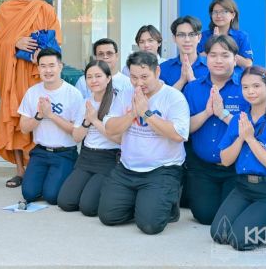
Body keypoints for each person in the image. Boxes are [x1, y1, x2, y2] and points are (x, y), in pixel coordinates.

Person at [98, 51, 190, 235]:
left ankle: (166, 206)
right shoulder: (125, 94)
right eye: (134, 77)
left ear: (157, 72)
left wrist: (146, 114)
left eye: (144, 77)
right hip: (127, 168)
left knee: (150, 225)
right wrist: (133, 113)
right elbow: (110, 128)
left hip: (162, 169)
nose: (139, 83)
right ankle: (145, 202)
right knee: (108, 216)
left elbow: (178, 135)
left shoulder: (173, 97)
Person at [0, 0, 61, 188]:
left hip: (36, 75)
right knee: (16, 118)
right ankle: (20, 171)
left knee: (38, 118)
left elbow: (56, 44)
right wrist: (15, 42)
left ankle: (36, 169)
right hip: (13, 75)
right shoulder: (6, 8)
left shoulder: (46, 10)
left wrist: (41, 54)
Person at [211, 67, 266, 251]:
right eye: (245, 87)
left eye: (256, 86)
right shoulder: (239, 119)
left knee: (239, 240)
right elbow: (225, 160)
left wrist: (250, 139)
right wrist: (241, 137)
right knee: (218, 234)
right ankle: (260, 220)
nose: (250, 91)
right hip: (243, 187)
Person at [183, 35, 248, 225]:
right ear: (206, 59)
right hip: (202, 168)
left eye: (225, 55)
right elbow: (185, 129)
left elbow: (251, 129)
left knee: (228, 217)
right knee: (205, 216)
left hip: (235, 168)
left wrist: (222, 114)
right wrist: (207, 112)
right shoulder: (193, 88)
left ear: (235, 59)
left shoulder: (245, 88)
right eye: (213, 55)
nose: (218, 60)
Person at [58, 60, 124, 215]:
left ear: (108, 78)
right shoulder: (85, 103)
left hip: (109, 158)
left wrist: (95, 120)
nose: (94, 80)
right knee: (65, 202)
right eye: (89, 77)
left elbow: (119, 139)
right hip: (87, 157)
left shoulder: (118, 101)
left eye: (98, 76)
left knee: (88, 207)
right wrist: (87, 122)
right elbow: (76, 137)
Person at [18, 49, 83, 205]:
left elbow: (76, 132)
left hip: (64, 153)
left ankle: (56, 178)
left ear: (60, 67)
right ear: (38, 68)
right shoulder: (32, 92)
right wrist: (40, 115)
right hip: (40, 152)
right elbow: (24, 128)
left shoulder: (73, 94)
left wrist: (51, 115)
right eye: (43, 66)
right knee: (29, 194)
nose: (47, 70)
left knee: (52, 196)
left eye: (52, 65)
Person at [199, 0, 253, 69]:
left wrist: (224, 48)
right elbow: (196, 58)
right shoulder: (204, 35)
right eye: (215, 12)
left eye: (224, 12)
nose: (218, 15)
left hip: (234, 75)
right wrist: (213, 44)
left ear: (233, 15)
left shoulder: (241, 36)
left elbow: (248, 64)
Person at [159, 15, 209, 90]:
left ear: (199, 38)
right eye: (181, 35)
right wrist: (181, 81)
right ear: (174, 38)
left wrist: (192, 80)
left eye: (192, 34)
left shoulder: (211, 66)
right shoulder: (163, 68)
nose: (187, 40)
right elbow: (161, 97)